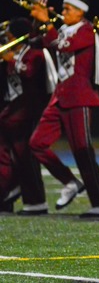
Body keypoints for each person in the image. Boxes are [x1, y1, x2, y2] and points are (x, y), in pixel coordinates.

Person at [29, 0, 99, 217]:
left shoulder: (86, 30)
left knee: (82, 152)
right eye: (63, 9)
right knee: (36, 143)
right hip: (60, 96)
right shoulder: (65, 29)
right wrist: (38, 21)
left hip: (79, 97)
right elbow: (35, 41)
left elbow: (61, 46)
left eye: (67, 9)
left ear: (80, 12)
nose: (62, 13)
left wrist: (47, 22)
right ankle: (70, 181)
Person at [0, 17, 51, 214]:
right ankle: (6, 197)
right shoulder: (14, 52)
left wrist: (11, 59)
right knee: (6, 158)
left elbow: (29, 72)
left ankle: (36, 201)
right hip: (10, 110)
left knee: (25, 157)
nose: (8, 37)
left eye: (10, 34)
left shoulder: (33, 53)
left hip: (26, 111)